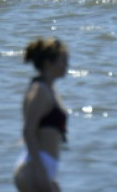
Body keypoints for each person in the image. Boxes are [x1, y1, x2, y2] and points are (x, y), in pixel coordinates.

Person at [14, 38, 69, 192]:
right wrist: (41, 172)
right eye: (62, 60)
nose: (67, 65)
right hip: (33, 169)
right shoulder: (40, 91)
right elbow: (28, 132)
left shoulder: (50, 90)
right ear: (48, 63)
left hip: (44, 168)